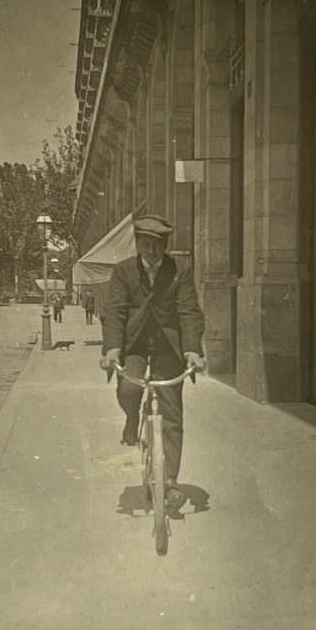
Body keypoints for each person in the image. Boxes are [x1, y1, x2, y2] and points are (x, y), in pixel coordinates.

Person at [99, 215, 206, 509]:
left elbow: (189, 312)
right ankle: (132, 418)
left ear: (165, 245)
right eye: (146, 245)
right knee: (129, 389)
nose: (152, 251)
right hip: (134, 344)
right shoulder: (123, 271)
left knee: (171, 411)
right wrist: (112, 349)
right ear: (137, 244)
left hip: (168, 346)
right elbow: (115, 312)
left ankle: (169, 482)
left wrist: (192, 350)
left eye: (157, 246)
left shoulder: (179, 270)